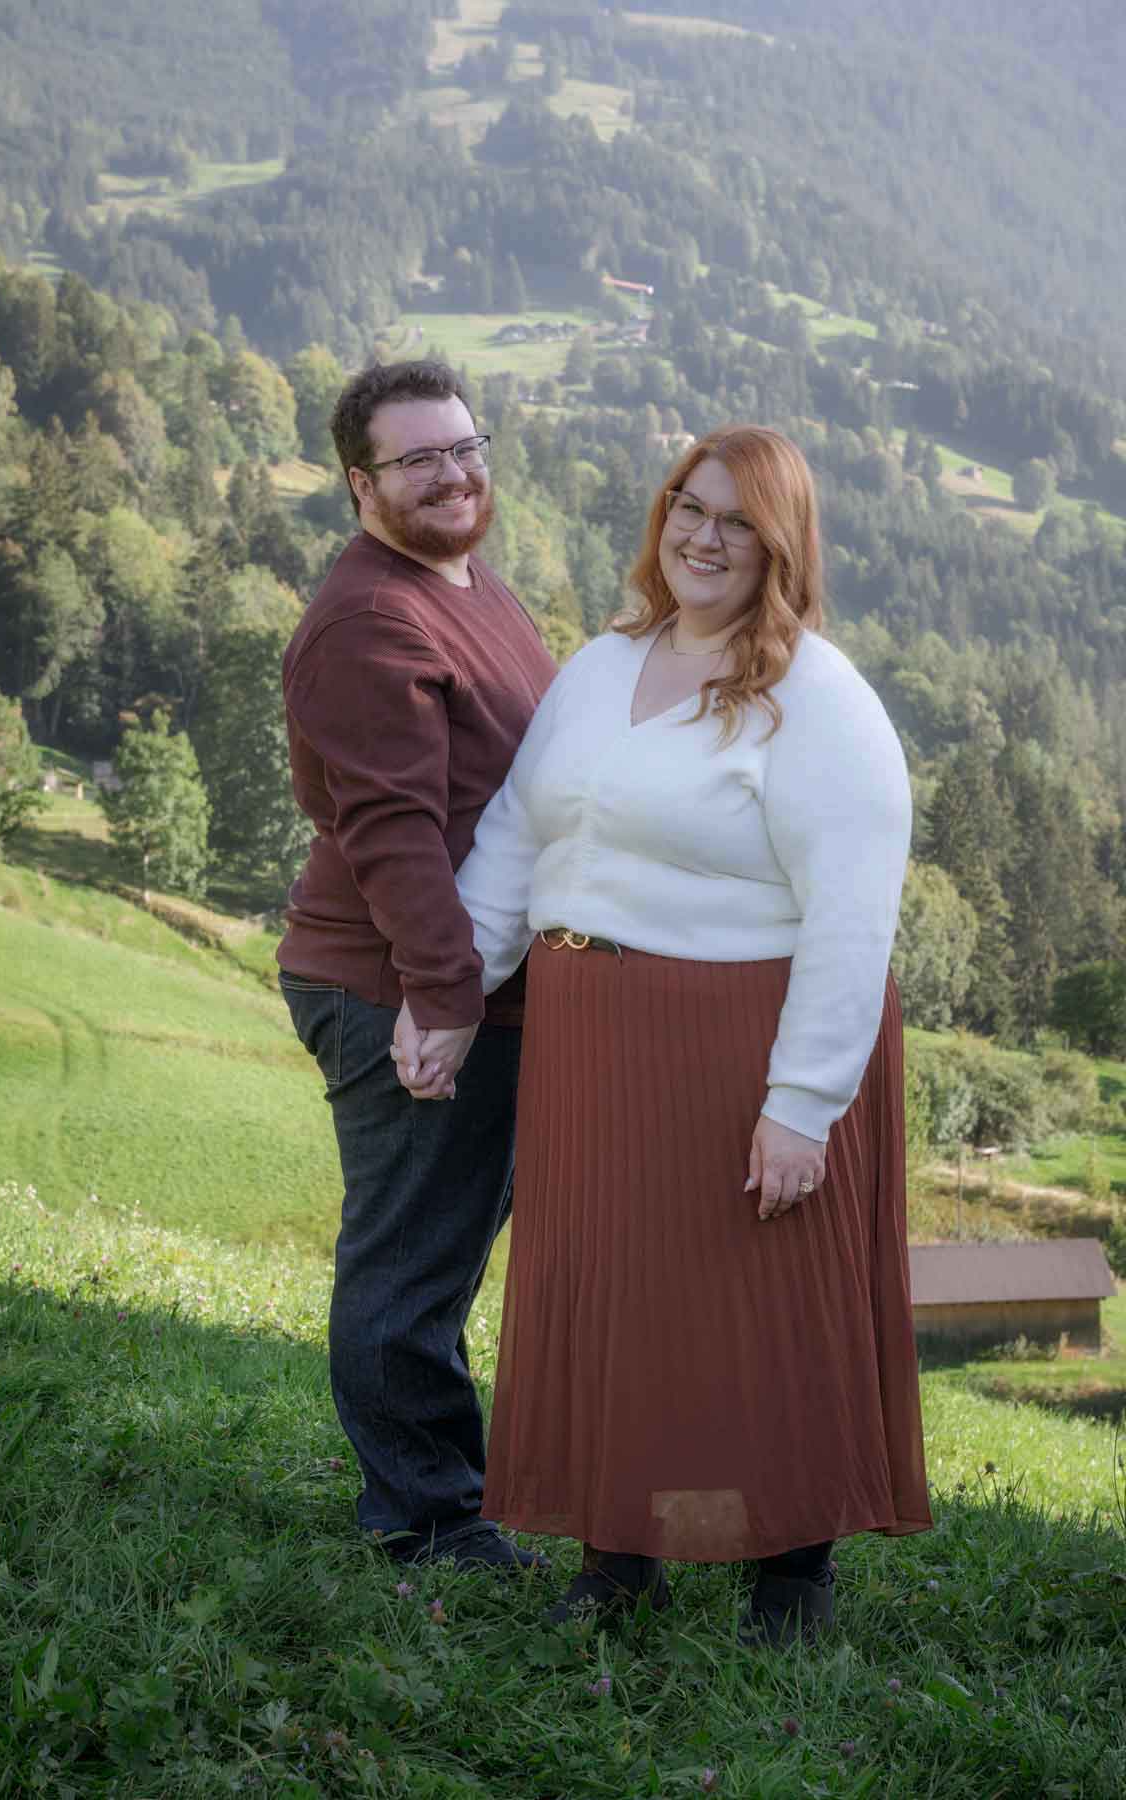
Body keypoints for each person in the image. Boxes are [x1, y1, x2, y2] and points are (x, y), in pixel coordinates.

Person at [396, 424, 931, 1642]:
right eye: (690, 506)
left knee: (756, 1304)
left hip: (738, 1037)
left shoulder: (820, 703)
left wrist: (802, 1103)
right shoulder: (600, 665)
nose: (704, 535)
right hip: (590, 1035)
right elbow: (521, 842)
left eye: (739, 521)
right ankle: (621, 1553)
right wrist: (455, 997)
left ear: (782, 544)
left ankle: (790, 1567)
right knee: (611, 1294)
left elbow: (854, 921)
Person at [278, 359, 556, 1569]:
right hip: (398, 984)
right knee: (407, 1266)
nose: (454, 474)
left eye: (465, 446)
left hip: (465, 978)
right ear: (360, 482)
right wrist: (446, 997)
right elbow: (391, 830)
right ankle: (426, 1521)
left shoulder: (468, 583)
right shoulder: (369, 621)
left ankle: (444, 1497)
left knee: (439, 1254)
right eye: (418, 459)